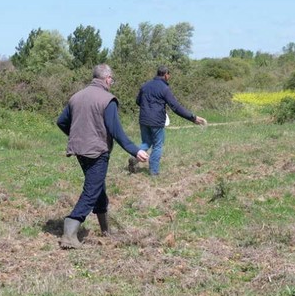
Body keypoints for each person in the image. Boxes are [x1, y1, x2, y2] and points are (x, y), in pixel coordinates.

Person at [56, 63, 148, 249]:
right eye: (111, 79)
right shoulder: (108, 99)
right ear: (107, 79)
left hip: (80, 150)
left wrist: (78, 136)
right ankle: (69, 233)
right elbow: (116, 131)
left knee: (98, 187)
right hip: (97, 152)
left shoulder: (76, 97)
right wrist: (135, 150)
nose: (111, 83)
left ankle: (105, 230)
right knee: (91, 191)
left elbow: (61, 121)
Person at [130, 65, 207, 176]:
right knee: (157, 145)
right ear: (166, 75)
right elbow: (176, 107)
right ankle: (154, 172)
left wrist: (148, 106)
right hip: (156, 121)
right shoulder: (164, 89)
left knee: (146, 142)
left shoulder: (145, 86)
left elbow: (138, 101)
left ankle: (134, 157)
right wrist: (193, 118)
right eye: (169, 75)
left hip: (143, 120)